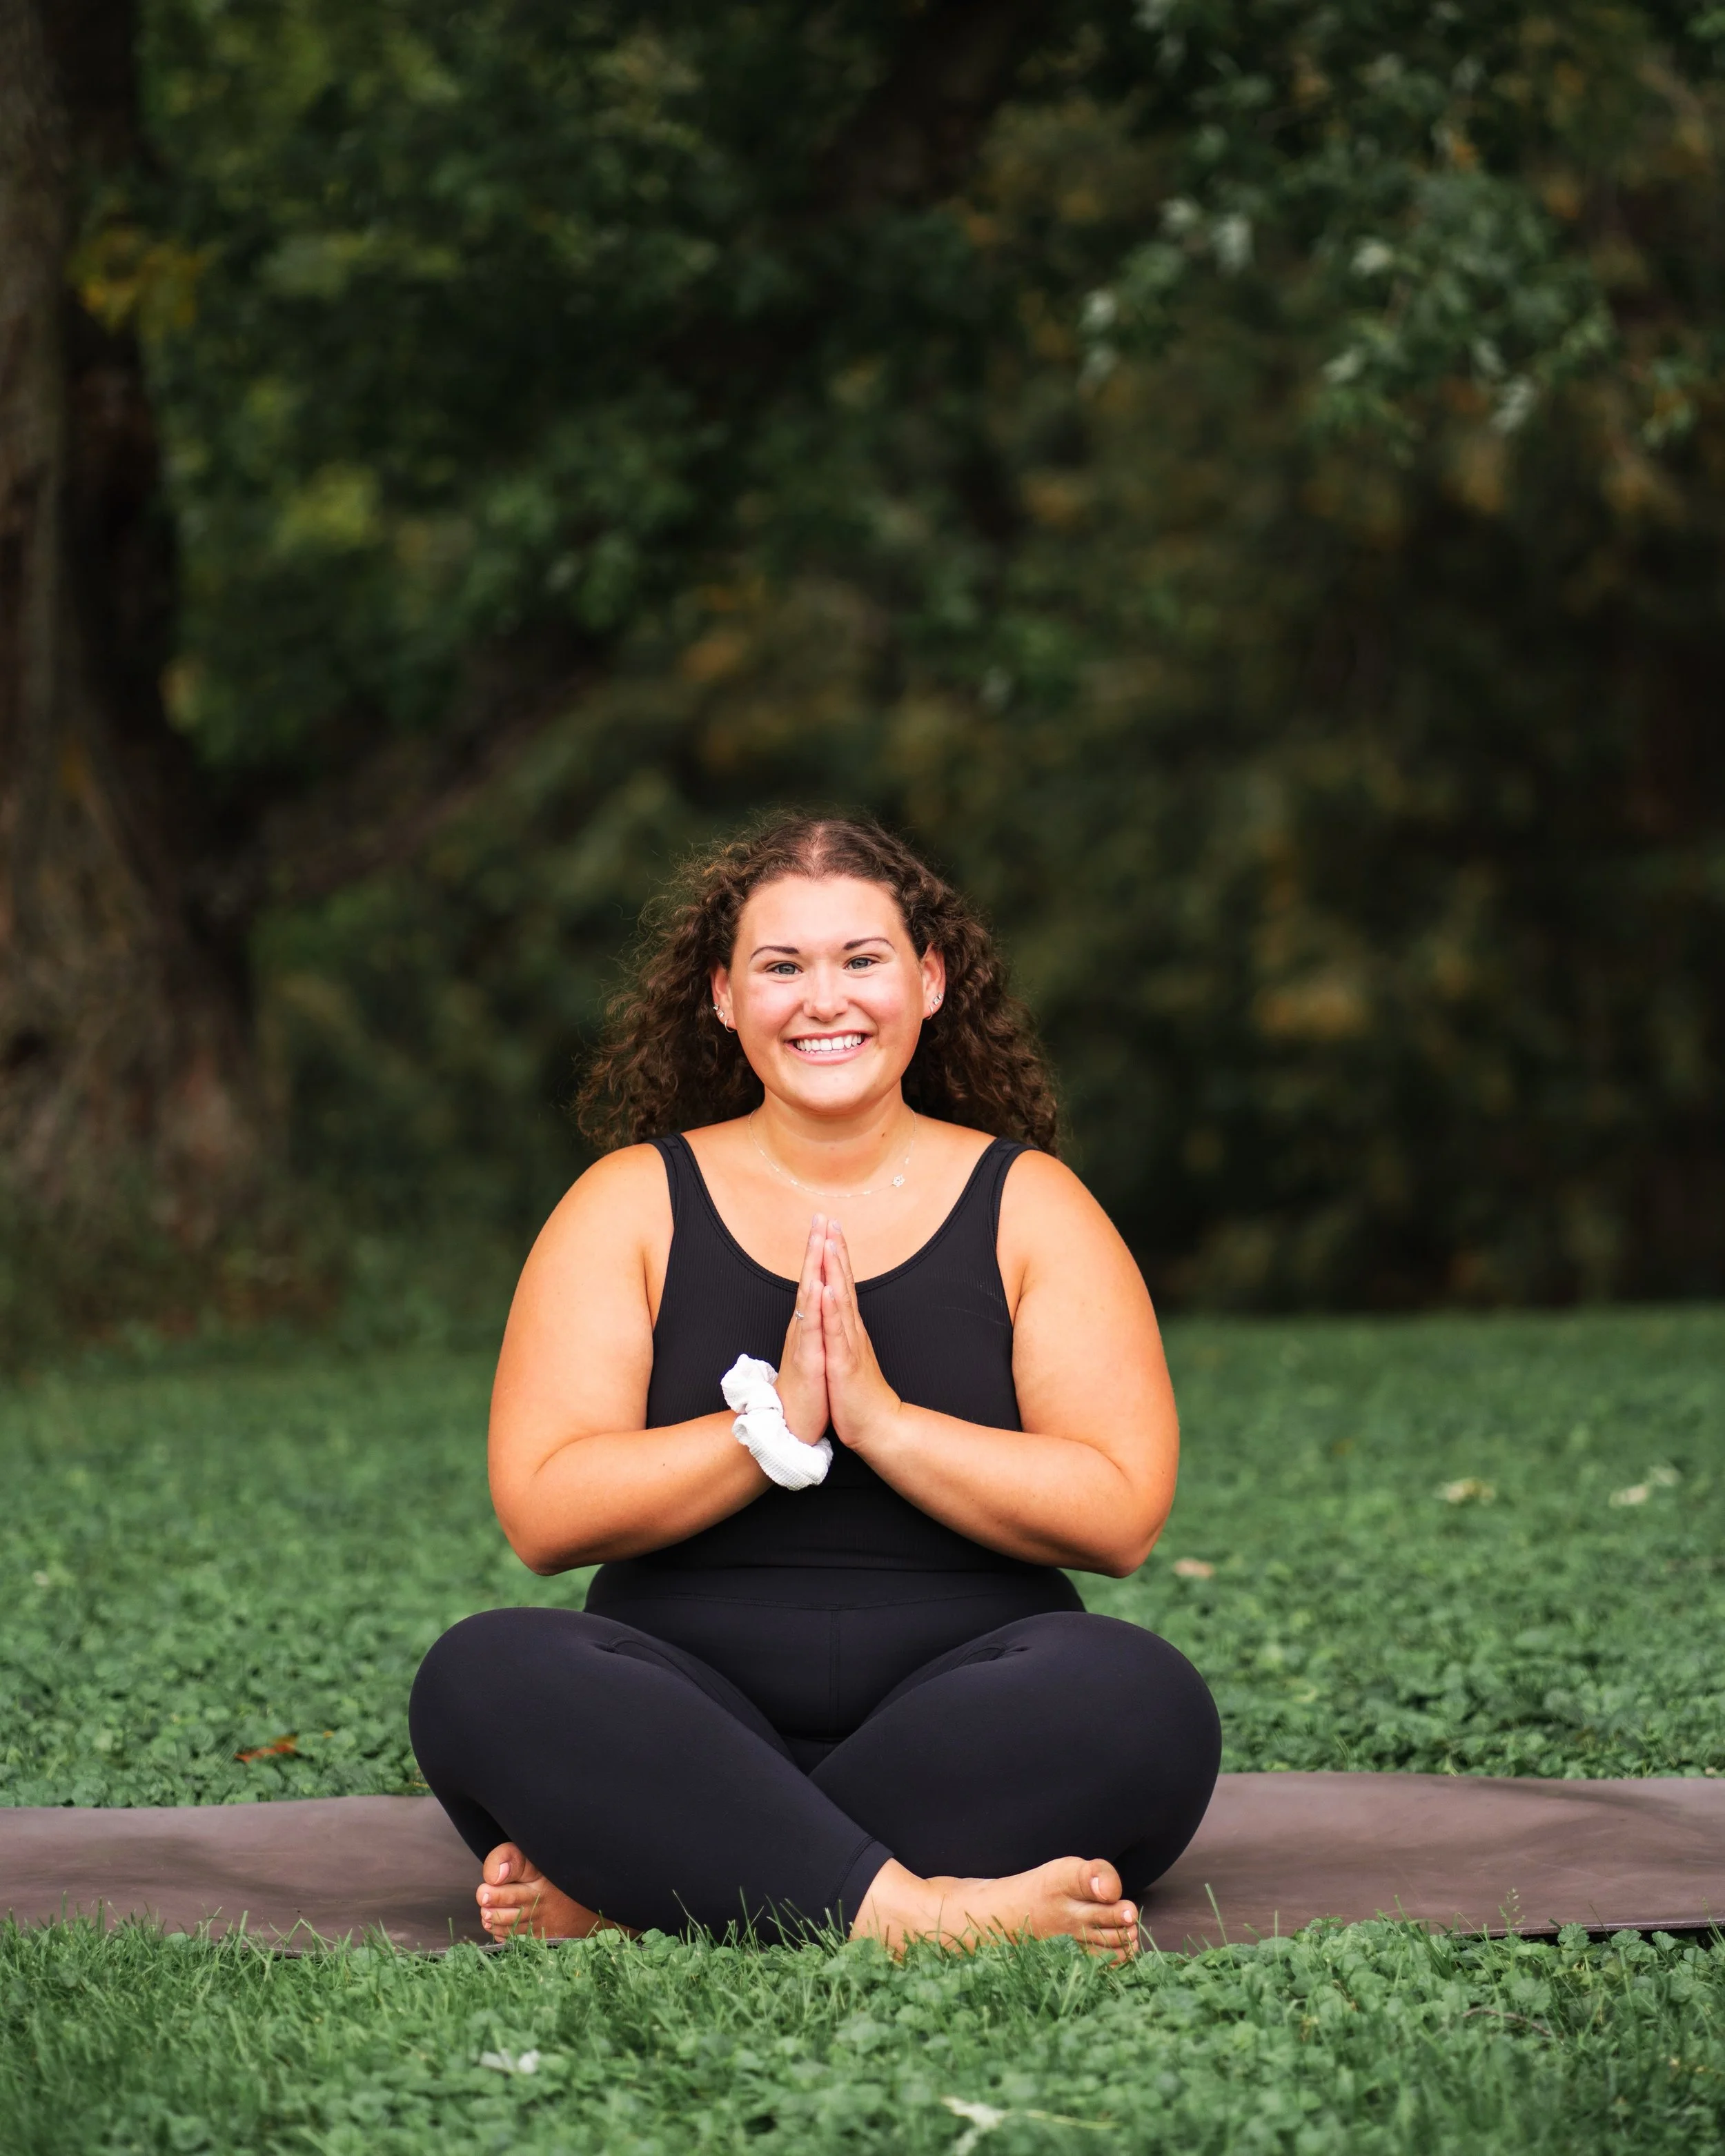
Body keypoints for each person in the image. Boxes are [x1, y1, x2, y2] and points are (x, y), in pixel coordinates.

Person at [410, 816, 1219, 1953]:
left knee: (1143, 1698)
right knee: (483, 1672)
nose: (822, 1000)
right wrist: (772, 1431)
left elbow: (1121, 1512)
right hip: (680, 1712)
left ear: (930, 981)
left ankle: (659, 1880)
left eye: (862, 960)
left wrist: (882, 1423)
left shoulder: (1033, 1206)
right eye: (781, 967)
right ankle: (920, 1914)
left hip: (970, 1699)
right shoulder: (628, 1203)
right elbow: (545, 1512)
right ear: (725, 997)